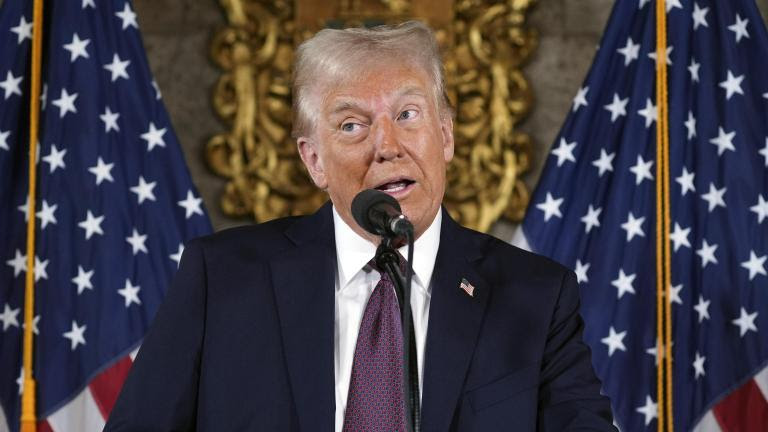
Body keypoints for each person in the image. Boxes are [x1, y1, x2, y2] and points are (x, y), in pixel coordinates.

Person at [105, 21, 615, 431]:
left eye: (408, 114)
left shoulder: (536, 296)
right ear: (314, 161)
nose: (387, 145)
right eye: (352, 125)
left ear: (446, 136)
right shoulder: (220, 279)